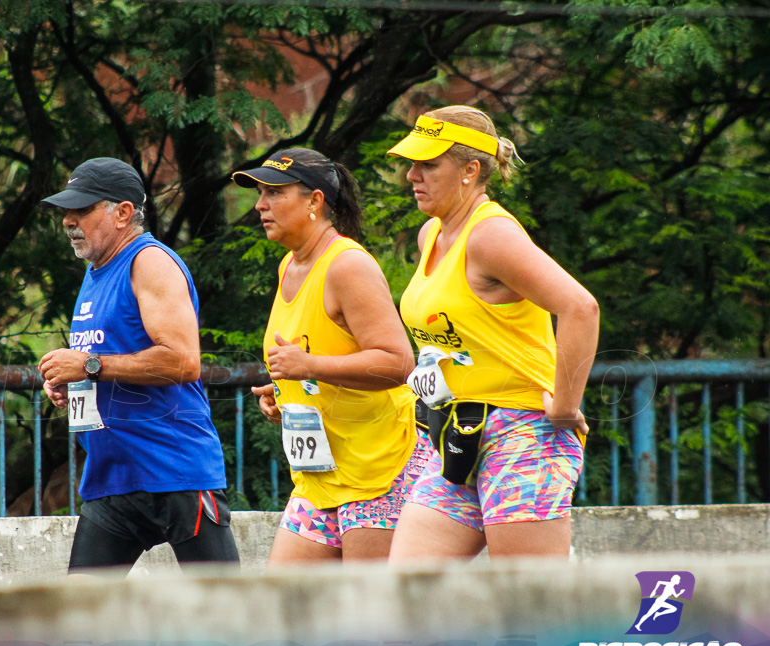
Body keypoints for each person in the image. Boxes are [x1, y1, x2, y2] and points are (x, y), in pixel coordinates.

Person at [386, 106, 600, 560]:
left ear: (470, 170)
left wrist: (564, 406)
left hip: (522, 434)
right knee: (407, 593)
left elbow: (580, 307)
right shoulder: (431, 234)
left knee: (529, 607)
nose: (411, 175)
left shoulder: (490, 236)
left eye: (428, 164)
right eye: (412, 163)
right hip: (456, 434)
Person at [37, 157, 239, 576]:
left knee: (224, 616)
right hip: (112, 479)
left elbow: (183, 361)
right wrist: (70, 384)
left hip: (174, 472)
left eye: (82, 210)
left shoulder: (148, 262)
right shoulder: (96, 271)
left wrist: (89, 366)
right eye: (65, 212)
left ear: (123, 212)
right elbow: (109, 361)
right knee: (81, 621)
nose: (68, 221)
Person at [232, 148, 420, 565]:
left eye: (274, 193)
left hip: (379, 470)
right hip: (322, 476)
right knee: (288, 611)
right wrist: (290, 392)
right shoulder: (289, 265)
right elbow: (319, 354)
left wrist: (309, 367)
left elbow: (398, 363)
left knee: (370, 618)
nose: (260, 205)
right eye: (259, 194)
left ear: (315, 201)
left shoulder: (347, 265)